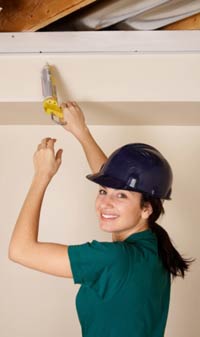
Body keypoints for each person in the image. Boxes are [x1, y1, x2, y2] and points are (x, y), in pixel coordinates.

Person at [8, 101, 194, 337]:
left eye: (120, 196)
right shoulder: (155, 248)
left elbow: (20, 250)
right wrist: (81, 131)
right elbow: (119, 183)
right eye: (103, 191)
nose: (105, 203)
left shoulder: (112, 258)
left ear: (147, 208)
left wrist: (41, 176)